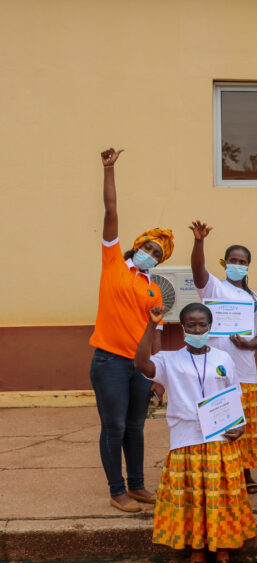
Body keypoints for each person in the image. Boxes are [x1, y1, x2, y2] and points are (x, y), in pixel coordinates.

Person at [134, 303, 256, 563]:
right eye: (191, 325)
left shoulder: (223, 357)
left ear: (210, 327)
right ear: (184, 329)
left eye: (202, 325)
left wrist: (240, 426)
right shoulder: (169, 359)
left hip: (220, 439)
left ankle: (223, 553)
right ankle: (197, 554)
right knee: (193, 499)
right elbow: (141, 364)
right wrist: (151, 325)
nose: (197, 330)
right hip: (186, 438)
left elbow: (233, 395)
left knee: (221, 498)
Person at [88, 147, 171, 513]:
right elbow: (111, 212)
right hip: (109, 362)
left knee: (137, 428)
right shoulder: (114, 265)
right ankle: (116, 489)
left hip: (139, 367)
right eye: (148, 247)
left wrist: (157, 376)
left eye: (158, 252)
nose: (150, 253)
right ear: (137, 245)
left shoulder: (154, 289)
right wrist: (109, 170)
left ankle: (137, 486)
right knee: (115, 427)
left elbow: (154, 334)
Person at [189, 221, 257, 494]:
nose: (238, 264)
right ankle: (221, 472)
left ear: (248, 265)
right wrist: (199, 242)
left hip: (244, 370)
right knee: (218, 420)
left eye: (243, 261)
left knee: (242, 423)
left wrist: (248, 344)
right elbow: (198, 272)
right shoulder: (213, 288)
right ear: (225, 264)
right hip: (214, 369)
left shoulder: (256, 299)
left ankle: (244, 473)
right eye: (233, 260)